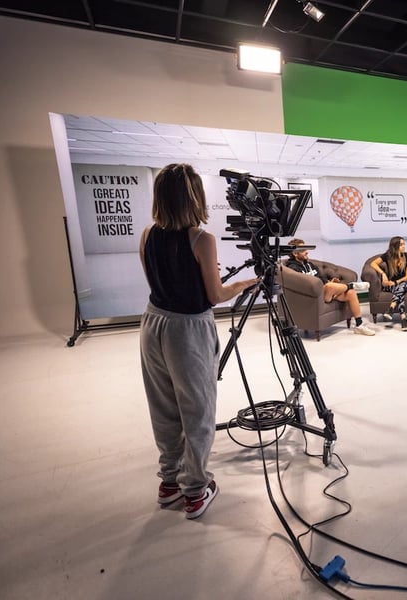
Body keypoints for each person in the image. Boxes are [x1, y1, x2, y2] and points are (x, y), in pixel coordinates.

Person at [139, 163, 258, 519]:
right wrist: (243, 284)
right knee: (198, 411)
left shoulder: (147, 235)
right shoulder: (201, 239)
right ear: (195, 196)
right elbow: (215, 294)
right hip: (187, 330)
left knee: (163, 407)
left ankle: (169, 483)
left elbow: (156, 285)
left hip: (152, 324)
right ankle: (195, 491)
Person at [285, 239, 375, 336]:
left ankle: (359, 325)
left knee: (351, 293)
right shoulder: (293, 268)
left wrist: (330, 282)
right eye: (303, 250)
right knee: (330, 286)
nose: (307, 251)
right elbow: (302, 285)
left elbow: (320, 278)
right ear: (295, 253)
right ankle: (350, 285)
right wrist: (328, 285)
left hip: (326, 292)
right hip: (314, 297)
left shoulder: (310, 264)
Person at [370, 236, 407, 331]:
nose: (404, 246)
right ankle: (404, 318)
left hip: (405, 284)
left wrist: (394, 282)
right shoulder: (388, 255)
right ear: (395, 246)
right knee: (399, 291)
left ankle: (391, 308)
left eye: (404, 244)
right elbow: (373, 263)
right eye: (401, 244)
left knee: (402, 286)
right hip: (392, 285)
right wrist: (382, 274)